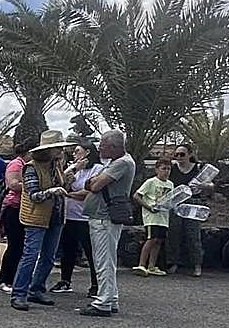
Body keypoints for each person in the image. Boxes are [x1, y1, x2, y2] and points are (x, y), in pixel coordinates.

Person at [79, 129, 136, 317]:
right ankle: (110, 298)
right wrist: (92, 182)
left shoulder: (122, 163)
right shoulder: (115, 163)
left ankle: (103, 301)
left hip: (105, 218)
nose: (99, 149)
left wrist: (92, 182)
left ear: (113, 147)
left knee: (103, 260)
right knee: (106, 259)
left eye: (102, 145)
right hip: (101, 216)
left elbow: (94, 185)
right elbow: (93, 183)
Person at [10, 131, 68, 312]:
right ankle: (19, 293)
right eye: (58, 147)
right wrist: (52, 191)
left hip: (55, 216)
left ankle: (36, 288)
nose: (61, 150)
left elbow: (61, 184)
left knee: (49, 257)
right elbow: (33, 194)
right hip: (36, 217)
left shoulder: (55, 165)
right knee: (31, 255)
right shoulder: (31, 167)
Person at [53, 142, 103, 296]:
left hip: (86, 217)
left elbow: (88, 192)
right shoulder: (75, 170)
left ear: (87, 153)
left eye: (77, 151)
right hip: (70, 215)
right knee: (68, 250)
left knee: (90, 251)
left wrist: (67, 195)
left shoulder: (98, 169)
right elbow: (61, 184)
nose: (74, 155)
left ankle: (96, 284)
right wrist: (71, 173)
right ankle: (65, 280)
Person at [168, 143, 213, 276]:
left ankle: (197, 264)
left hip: (193, 204)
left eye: (182, 154)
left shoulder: (198, 169)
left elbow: (211, 186)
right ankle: (173, 263)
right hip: (176, 203)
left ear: (190, 155)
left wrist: (202, 185)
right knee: (174, 234)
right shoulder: (173, 169)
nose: (179, 157)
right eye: (176, 155)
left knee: (193, 235)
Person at [0, 142, 31, 293]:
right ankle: (5, 280)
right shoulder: (16, 164)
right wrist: (35, 185)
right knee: (14, 245)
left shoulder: (27, 165)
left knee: (20, 246)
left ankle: (15, 278)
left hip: (23, 208)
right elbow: (13, 185)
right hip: (13, 208)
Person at [133, 158, 174, 276]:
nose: (166, 171)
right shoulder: (151, 182)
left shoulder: (170, 184)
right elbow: (136, 196)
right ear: (157, 169)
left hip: (163, 217)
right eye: (164, 168)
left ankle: (151, 265)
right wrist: (148, 207)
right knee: (151, 239)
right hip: (152, 217)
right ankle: (141, 264)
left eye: (168, 169)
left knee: (159, 241)